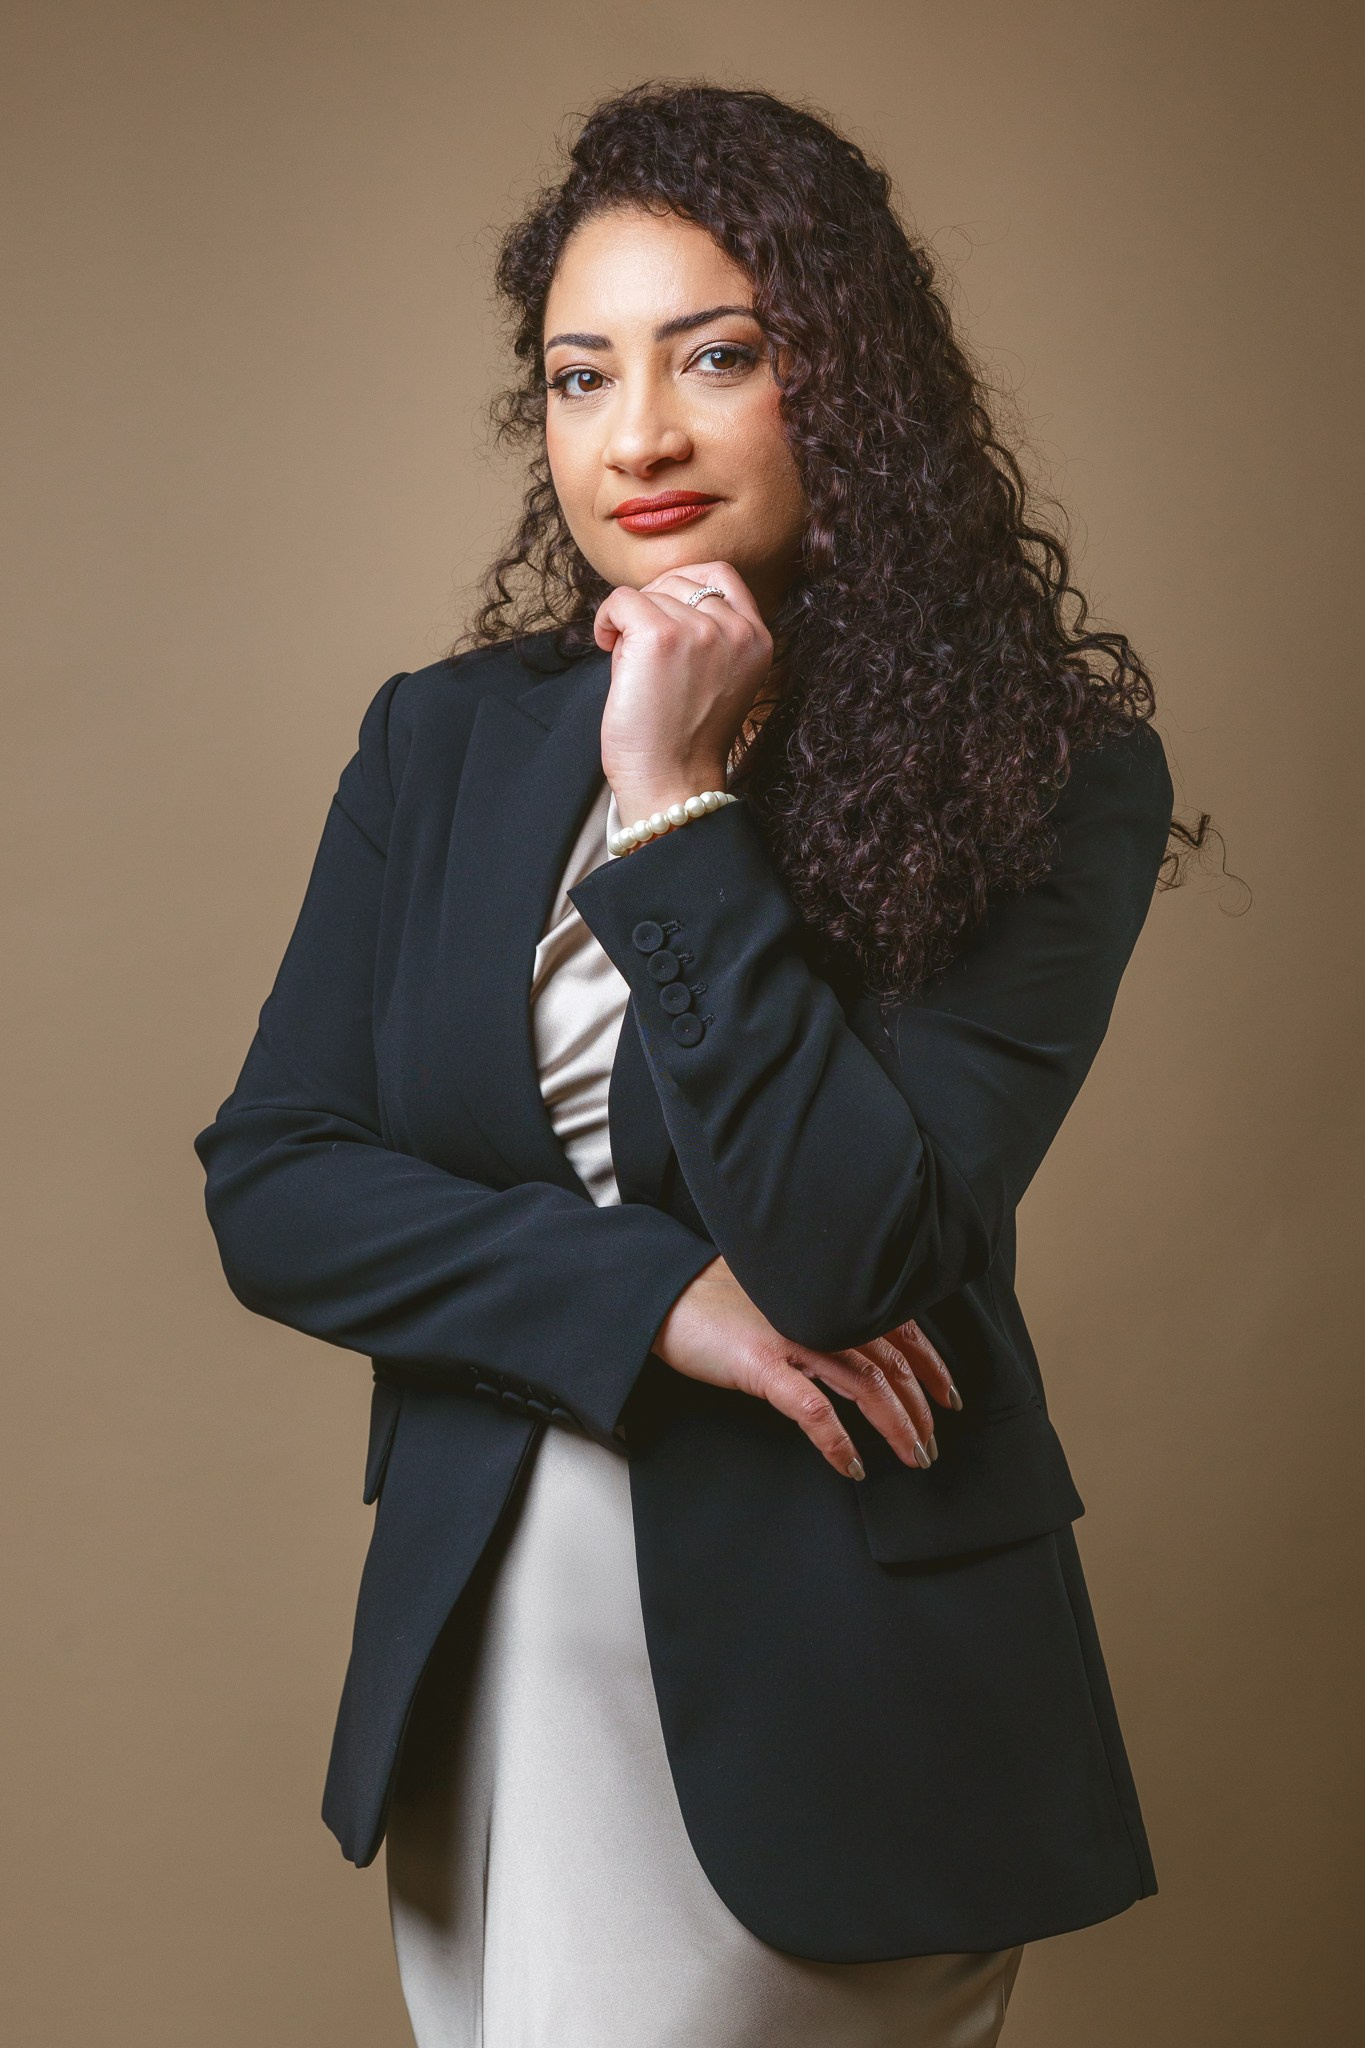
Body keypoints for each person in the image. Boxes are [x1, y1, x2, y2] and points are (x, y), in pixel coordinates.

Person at [194, 81, 1192, 2048]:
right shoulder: (442, 742)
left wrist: (667, 801)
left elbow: (846, 1251)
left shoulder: (1043, 773)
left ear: (846, 382)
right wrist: (653, 1300)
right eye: (579, 377)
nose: (633, 433)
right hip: (488, 1658)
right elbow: (277, 1180)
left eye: (714, 356)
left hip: (835, 1705)